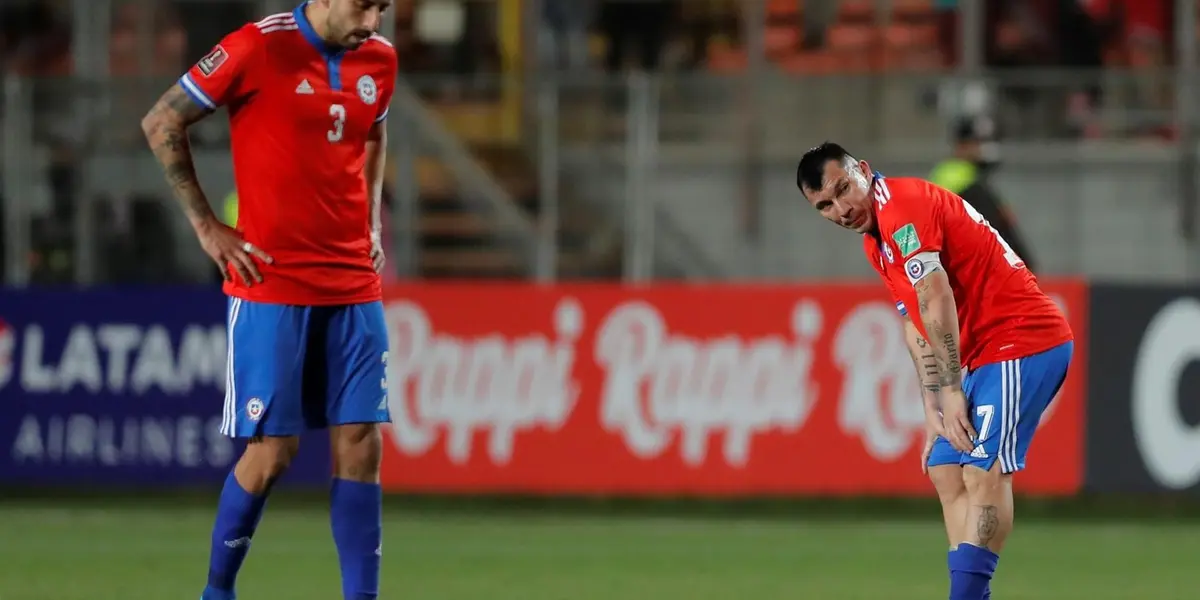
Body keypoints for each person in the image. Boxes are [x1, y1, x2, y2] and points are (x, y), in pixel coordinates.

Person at [139, 1, 396, 599]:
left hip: (355, 282)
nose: (375, 22)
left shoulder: (379, 59)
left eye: (384, 7)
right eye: (366, 6)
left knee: (361, 443)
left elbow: (375, 131)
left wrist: (373, 227)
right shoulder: (258, 46)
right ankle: (217, 591)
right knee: (273, 454)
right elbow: (161, 122)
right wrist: (206, 226)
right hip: (273, 284)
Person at [796, 142, 1073, 600]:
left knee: (985, 473)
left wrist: (950, 389)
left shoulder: (902, 208)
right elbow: (915, 321)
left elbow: (936, 297)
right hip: (985, 353)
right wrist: (932, 403)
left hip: (1024, 338)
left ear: (863, 171)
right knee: (946, 469)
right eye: (825, 205)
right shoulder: (877, 241)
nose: (841, 209)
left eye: (844, 189)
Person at [929, 116, 1036, 272]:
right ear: (962, 146)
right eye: (978, 143)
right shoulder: (960, 178)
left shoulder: (967, 174)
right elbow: (994, 227)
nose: (983, 149)